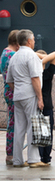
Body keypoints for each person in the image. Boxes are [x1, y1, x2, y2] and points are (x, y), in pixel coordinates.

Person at [5, 29, 47, 168]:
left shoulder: (14, 56)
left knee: (19, 128)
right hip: (30, 95)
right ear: (29, 41)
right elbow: (35, 78)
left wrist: (17, 90)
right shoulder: (31, 56)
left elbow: (9, 80)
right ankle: (33, 159)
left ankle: (17, 160)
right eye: (33, 39)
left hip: (18, 95)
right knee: (32, 126)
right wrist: (40, 98)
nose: (34, 41)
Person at [36, 49, 55, 165]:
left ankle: (39, 156)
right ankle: (46, 157)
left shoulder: (34, 74)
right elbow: (54, 55)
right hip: (48, 104)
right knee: (48, 132)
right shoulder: (48, 74)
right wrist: (43, 57)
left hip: (36, 105)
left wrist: (36, 56)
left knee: (38, 132)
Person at [0, 29, 18, 165]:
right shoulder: (12, 55)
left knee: (11, 121)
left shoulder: (4, 53)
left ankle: (10, 152)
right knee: (14, 123)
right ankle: (12, 153)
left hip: (7, 90)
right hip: (14, 91)